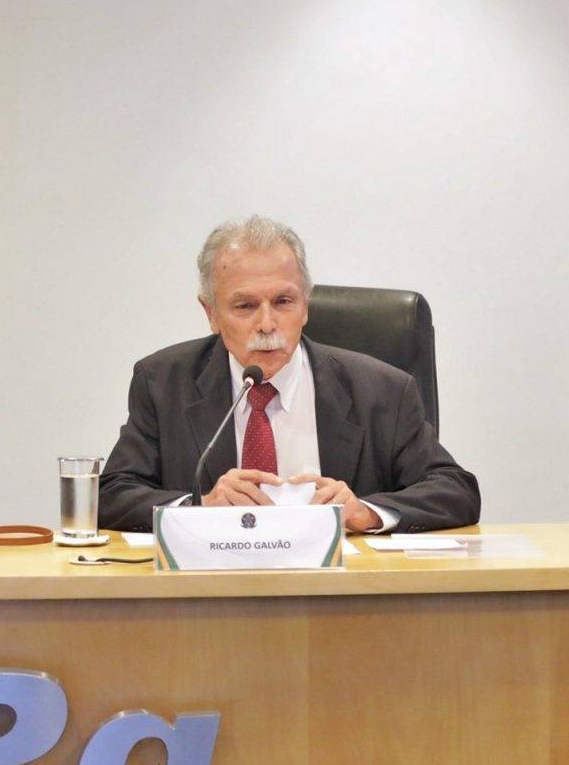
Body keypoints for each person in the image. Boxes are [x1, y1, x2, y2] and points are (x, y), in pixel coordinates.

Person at [99, 215, 480, 533]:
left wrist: (365, 512)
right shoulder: (163, 382)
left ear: (305, 305)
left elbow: (455, 491)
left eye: (283, 301)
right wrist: (198, 507)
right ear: (211, 313)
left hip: (340, 590)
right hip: (211, 588)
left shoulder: (381, 389)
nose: (267, 324)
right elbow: (112, 494)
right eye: (245, 306)